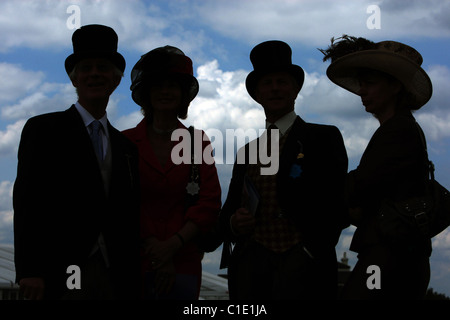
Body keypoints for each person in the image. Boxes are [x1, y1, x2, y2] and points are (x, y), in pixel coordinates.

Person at [13, 24, 140, 300]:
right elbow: (26, 201)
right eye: (86, 68)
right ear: (74, 79)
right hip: (58, 271)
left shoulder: (126, 147)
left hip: (115, 275)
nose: (94, 73)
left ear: (116, 80)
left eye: (103, 67)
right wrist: (29, 269)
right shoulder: (43, 129)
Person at [218, 40, 348, 300]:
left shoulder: (323, 138)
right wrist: (234, 222)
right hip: (252, 274)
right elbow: (227, 213)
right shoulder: (246, 152)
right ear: (257, 94)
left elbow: (338, 203)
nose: (275, 88)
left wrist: (309, 251)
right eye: (267, 83)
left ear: (296, 89)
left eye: (282, 81)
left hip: (306, 273)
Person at [320, 35, 433, 299]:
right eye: (361, 84)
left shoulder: (398, 131)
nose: (362, 91)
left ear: (395, 86)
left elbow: (361, 187)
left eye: (369, 84)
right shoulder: (401, 129)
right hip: (397, 255)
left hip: (391, 255)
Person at [123, 45, 221, 300]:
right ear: (146, 92)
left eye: (172, 85)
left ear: (182, 94)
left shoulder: (198, 142)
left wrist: (172, 246)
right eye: (158, 85)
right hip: (134, 263)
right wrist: (158, 252)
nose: (165, 91)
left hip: (185, 264)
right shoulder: (124, 143)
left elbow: (209, 202)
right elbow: (122, 202)